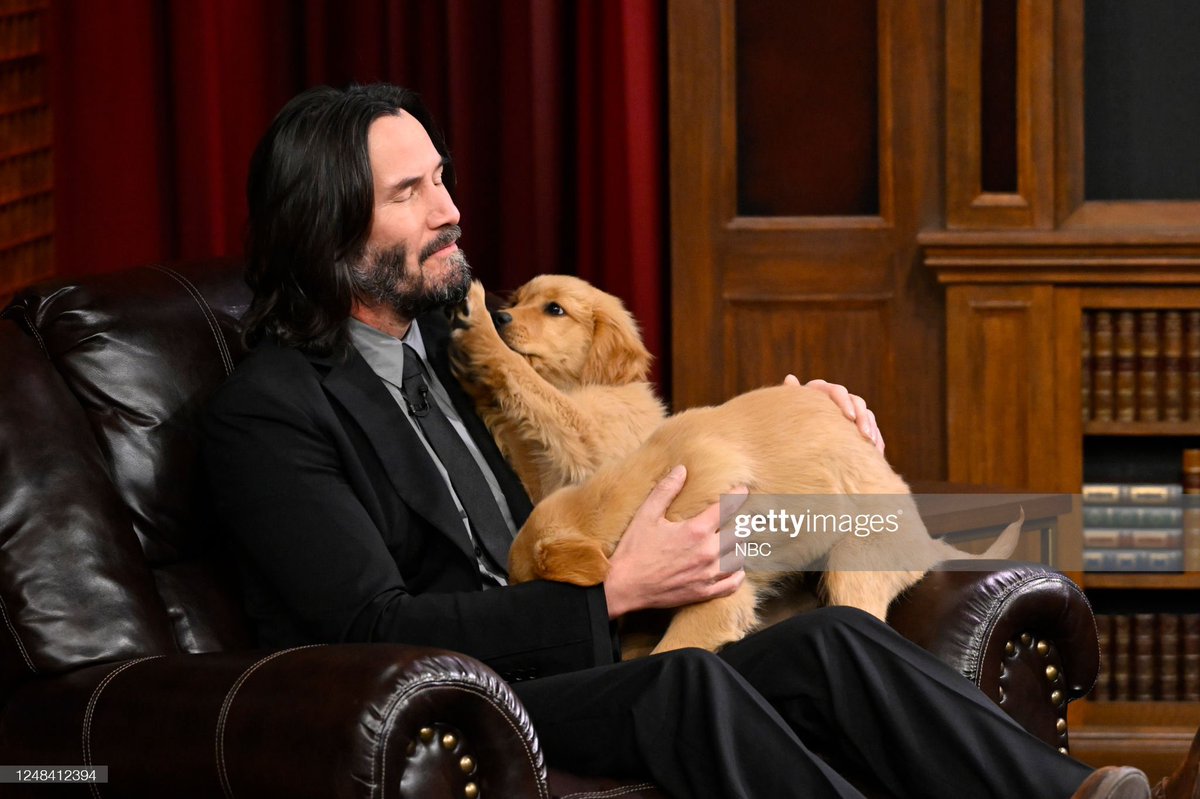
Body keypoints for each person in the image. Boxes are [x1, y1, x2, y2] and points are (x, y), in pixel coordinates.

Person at [203, 83, 1198, 799]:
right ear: (330, 232)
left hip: (571, 653)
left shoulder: (459, 344)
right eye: (410, 193)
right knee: (687, 682)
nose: (451, 209)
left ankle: (1074, 795)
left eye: (442, 179)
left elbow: (621, 432)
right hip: (460, 694)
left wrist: (801, 411)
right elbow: (375, 627)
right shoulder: (273, 409)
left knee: (835, 641)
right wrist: (615, 595)